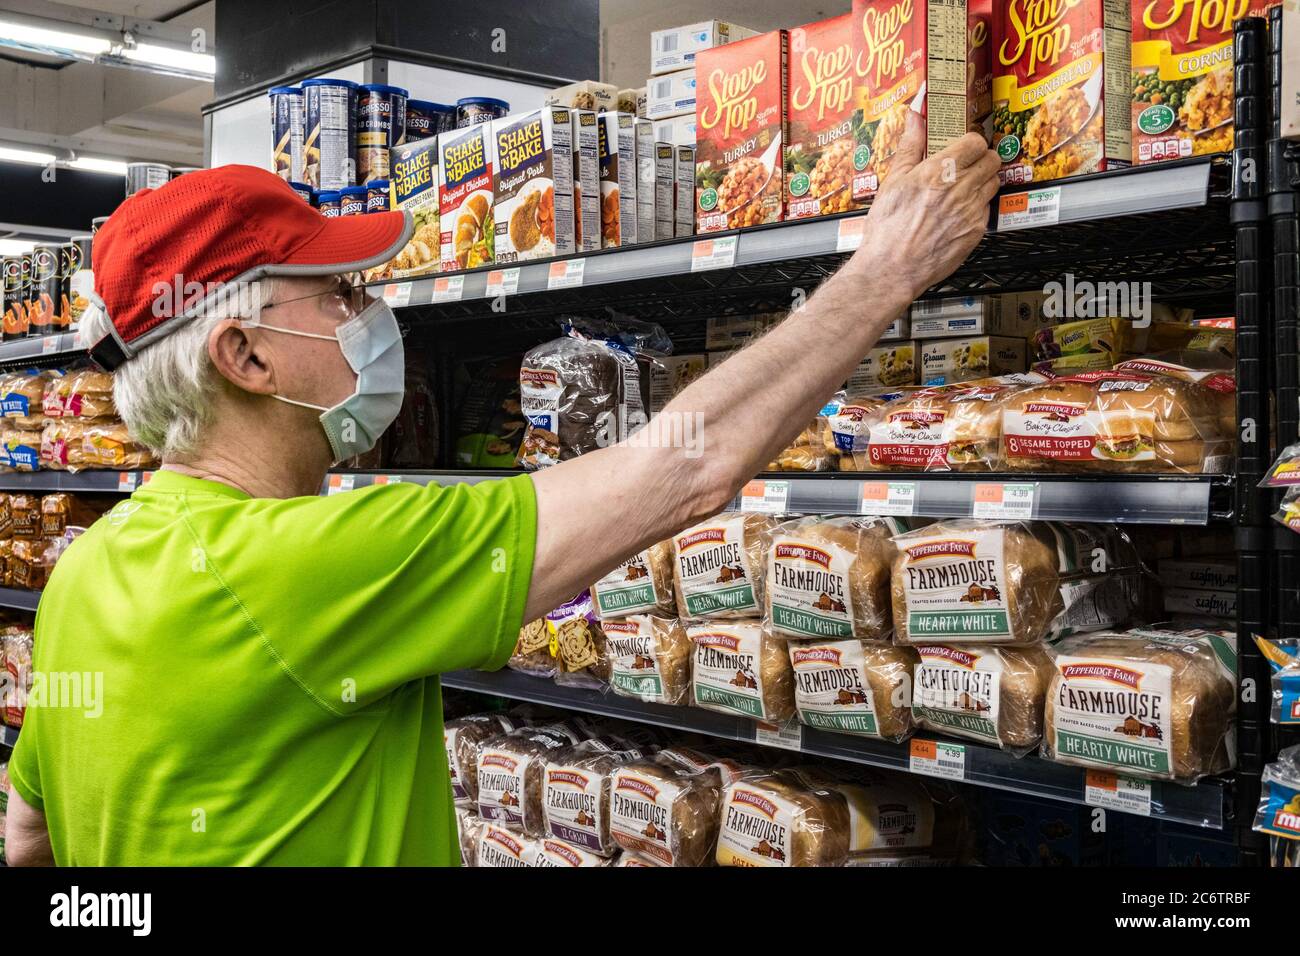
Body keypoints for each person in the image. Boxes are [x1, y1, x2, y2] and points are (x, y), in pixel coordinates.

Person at [4, 111, 999, 865]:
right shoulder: (306, 560)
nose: (369, 314)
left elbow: (29, 830)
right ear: (247, 356)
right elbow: (687, 466)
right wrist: (884, 269)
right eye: (340, 294)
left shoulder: (84, 573)